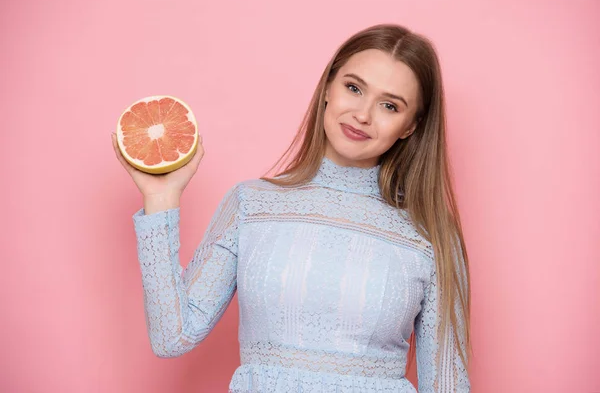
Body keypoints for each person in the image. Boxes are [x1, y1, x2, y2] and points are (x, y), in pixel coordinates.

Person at [112, 23, 472, 393]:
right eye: (353, 87)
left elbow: (448, 384)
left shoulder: (430, 239)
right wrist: (160, 201)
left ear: (410, 127)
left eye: (389, 105)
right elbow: (173, 336)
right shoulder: (251, 204)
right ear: (328, 88)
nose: (363, 114)